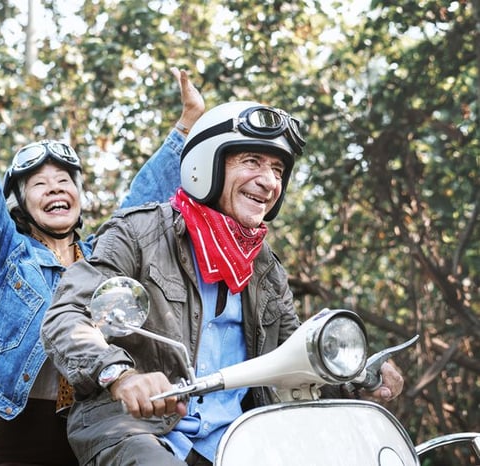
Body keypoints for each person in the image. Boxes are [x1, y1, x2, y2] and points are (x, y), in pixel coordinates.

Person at [41, 100, 405, 465]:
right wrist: (120, 374)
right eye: (252, 162)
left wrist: (359, 375)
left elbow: (299, 355)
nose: (269, 181)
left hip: (237, 439)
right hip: (138, 431)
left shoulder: (266, 269)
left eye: (278, 169)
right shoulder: (138, 232)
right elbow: (67, 315)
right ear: (206, 164)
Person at [0, 11, 205, 466]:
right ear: (22, 202)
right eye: (39, 182)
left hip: (105, 417)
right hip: (24, 425)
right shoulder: (4, 256)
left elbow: (142, 201)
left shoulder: (103, 256)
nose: (54, 187)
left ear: (78, 195)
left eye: (64, 179)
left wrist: (187, 126)